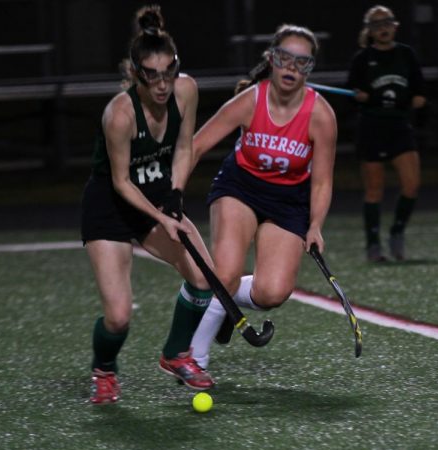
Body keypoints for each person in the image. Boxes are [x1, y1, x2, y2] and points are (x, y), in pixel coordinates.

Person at [81, 5, 216, 404]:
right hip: (111, 207)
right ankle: (104, 369)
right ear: (136, 73)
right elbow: (121, 182)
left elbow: (185, 146)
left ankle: (176, 354)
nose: (162, 84)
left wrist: (175, 195)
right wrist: (162, 216)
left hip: (157, 195)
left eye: (168, 72)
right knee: (119, 317)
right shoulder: (119, 115)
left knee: (203, 278)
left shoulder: (186, 90)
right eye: (152, 75)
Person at [186, 24, 337, 372]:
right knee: (226, 273)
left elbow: (322, 181)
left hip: (288, 200)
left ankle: (222, 301)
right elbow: (196, 146)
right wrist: (174, 191)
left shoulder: (321, 116)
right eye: (286, 58)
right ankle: (193, 358)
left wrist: (315, 226)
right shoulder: (250, 100)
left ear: (309, 69)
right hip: (240, 187)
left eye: (302, 63)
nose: (292, 68)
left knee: (273, 292)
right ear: (272, 59)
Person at [347, 5, 426, 261]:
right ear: (369, 30)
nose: (383, 28)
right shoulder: (362, 59)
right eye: (377, 24)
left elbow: (420, 91)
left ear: (395, 26)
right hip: (372, 127)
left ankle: (397, 233)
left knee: (411, 185)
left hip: (399, 127)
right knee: (374, 189)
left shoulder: (406, 55)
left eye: (387, 23)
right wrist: (360, 96)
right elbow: (352, 94)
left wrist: (416, 99)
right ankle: (373, 244)